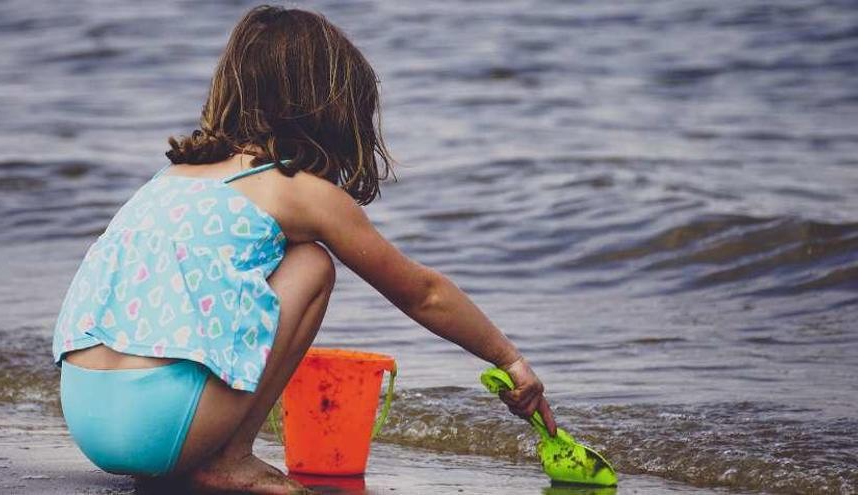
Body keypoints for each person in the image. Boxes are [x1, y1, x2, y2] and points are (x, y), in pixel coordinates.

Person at [52, 5, 557, 494]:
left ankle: (183, 455)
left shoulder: (169, 178)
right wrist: (509, 359)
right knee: (312, 263)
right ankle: (229, 458)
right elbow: (422, 293)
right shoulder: (297, 191)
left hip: (86, 414)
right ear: (327, 108)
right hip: (160, 425)